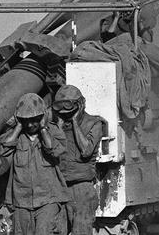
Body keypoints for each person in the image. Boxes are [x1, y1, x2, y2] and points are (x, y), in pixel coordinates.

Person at [0, 93, 68, 235]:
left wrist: (44, 129)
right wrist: (17, 128)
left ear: (42, 117)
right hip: (21, 201)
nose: (30, 124)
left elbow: (54, 150)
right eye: (25, 120)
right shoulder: (15, 135)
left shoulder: (54, 132)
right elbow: (2, 151)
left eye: (34, 120)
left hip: (48, 199)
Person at [53, 85, 105, 235]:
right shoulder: (57, 125)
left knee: (81, 231)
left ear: (80, 105)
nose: (65, 114)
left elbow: (86, 150)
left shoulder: (93, 123)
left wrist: (75, 123)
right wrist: (58, 127)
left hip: (81, 189)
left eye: (69, 110)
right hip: (59, 188)